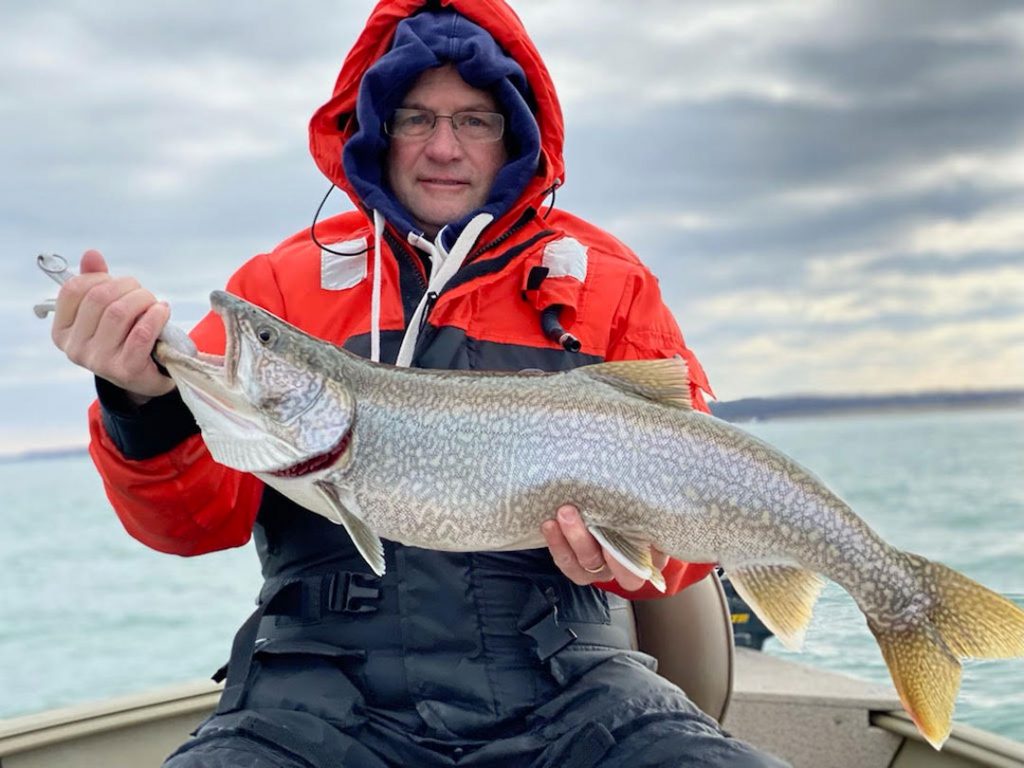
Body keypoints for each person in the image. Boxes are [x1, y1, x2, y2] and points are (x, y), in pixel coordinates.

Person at [51, 2, 788, 766]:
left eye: (474, 120)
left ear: (516, 132)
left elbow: (688, 547)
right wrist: (144, 401)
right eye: (414, 118)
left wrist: (636, 555)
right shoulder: (276, 285)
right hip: (313, 695)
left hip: (574, 688)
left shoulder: (610, 285)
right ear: (375, 125)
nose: (443, 147)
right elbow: (189, 525)